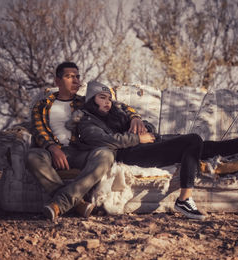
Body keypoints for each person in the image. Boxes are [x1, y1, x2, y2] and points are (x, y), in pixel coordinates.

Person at [74, 81, 238, 220]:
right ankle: (184, 199)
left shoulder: (116, 111)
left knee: (203, 145)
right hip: (131, 154)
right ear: (92, 100)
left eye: (109, 97)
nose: (108, 101)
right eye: (103, 97)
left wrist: (141, 124)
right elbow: (105, 140)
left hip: (148, 143)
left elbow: (148, 127)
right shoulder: (87, 120)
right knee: (193, 140)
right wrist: (137, 138)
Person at [26, 62, 147, 221]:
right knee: (32, 156)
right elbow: (38, 130)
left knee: (106, 154)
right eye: (69, 77)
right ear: (57, 81)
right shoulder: (42, 105)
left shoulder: (84, 102)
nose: (75, 81)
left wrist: (135, 117)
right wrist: (53, 148)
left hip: (81, 151)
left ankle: (62, 202)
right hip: (53, 152)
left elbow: (118, 106)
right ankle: (78, 204)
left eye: (77, 77)